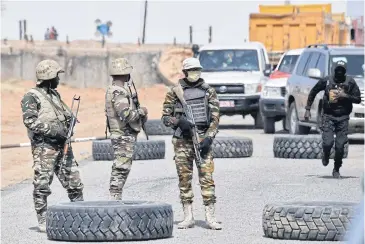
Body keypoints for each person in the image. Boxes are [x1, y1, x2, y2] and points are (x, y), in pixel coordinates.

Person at [20, 59, 84, 232]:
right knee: (42, 184)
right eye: (57, 76)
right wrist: (53, 130)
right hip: (44, 148)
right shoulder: (31, 96)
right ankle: (43, 219)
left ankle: (81, 215)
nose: (59, 79)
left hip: (62, 146)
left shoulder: (54, 95)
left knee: (74, 183)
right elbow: (30, 121)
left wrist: (68, 121)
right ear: (48, 76)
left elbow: (62, 115)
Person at [161, 57, 222, 230]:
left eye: (197, 70)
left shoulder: (209, 91)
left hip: (202, 139)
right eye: (191, 70)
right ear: (185, 72)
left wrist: (209, 138)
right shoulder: (174, 92)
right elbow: (165, 118)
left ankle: (210, 216)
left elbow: (215, 117)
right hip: (182, 141)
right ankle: (188, 216)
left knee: (207, 177)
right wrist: (179, 121)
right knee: (184, 179)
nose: (194, 73)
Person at [304, 60, 361, 178]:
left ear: (345, 71)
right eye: (337, 70)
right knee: (328, 142)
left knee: (340, 146)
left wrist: (345, 96)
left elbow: (358, 99)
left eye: (342, 70)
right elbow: (313, 91)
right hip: (328, 116)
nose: (339, 72)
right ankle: (325, 154)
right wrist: (308, 109)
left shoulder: (350, 82)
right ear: (334, 70)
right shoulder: (327, 81)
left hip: (343, 118)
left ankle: (336, 169)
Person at [105, 58, 148, 200]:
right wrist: (141, 111)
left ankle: (115, 197)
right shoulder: (119, 92)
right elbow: (126, 115)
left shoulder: (117, 90)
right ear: (125, 73)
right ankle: (114, 199)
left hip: (122, 134)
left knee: (122, 168)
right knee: (121, 168)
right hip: (122, 135)